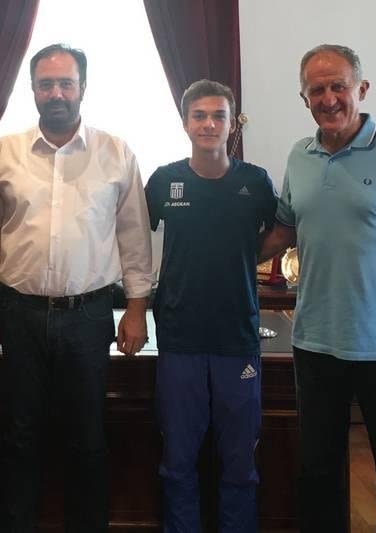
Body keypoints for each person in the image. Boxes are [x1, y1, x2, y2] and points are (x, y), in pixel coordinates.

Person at [259, 44, 376, 533]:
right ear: (304, 98)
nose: (328, 99)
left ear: (361, 89)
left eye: (338, 86)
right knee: (318, 477)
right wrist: (219, 256)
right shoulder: (299, 156)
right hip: (315, 345)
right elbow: (283, 231)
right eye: (316, 90)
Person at [0, 43, 154, 533]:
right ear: (33, 90)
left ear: (82, 88)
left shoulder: (115, 152)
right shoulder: (5, 151)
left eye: (65, 83)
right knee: (19, 434)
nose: (56, 93)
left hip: (89, 316)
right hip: (19, 313)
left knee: (88, 436)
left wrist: (136, 307)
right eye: (46, 84)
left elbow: (134, 236)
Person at [146, 79, 277, 532]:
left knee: (239, 462)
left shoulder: (255, 181)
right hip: (179, 337)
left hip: (237, 338)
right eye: (199, 115)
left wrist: (241, 255)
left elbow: (281, 232)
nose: (208, 124)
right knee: (178, 459)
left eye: (218, 116)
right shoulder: (164, 180)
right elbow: (131, 237)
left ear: (232, 124)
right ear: (185, 123)